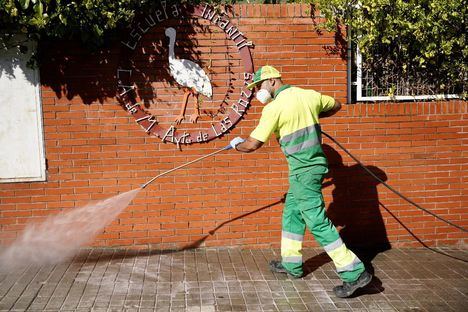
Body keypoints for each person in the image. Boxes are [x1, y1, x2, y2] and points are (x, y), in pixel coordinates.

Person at [229, 65, 372, 298]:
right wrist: (314, 113)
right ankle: (291, 263)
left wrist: (237, 144)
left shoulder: (273, 109)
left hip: (304, 173)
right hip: (306, 172)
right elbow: (335, 104)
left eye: (259, 85)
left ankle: (354, 273)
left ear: (273, 80)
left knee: (318, 222)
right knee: (292, 214)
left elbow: (253, 144)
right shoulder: (309, 96)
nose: (257, 91)